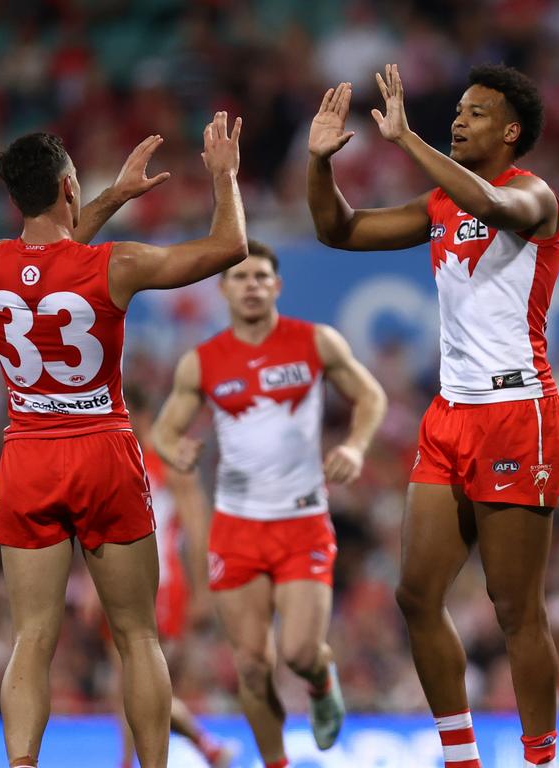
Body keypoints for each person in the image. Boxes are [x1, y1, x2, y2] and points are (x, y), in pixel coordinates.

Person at [307, 64, 559, 768]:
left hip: (519, 414)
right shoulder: (438, 205)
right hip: (451, 415)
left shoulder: (535, 196)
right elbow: (340, 230)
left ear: (511, 132)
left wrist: (405, 139)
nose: (460, 120)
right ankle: (461, 757)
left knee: (516, 610)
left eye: (476, 114)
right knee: (416, 595)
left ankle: (540, 758)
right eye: (456, 110)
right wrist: (318, 162)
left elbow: (494, 209)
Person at [0, 112, 247, 768]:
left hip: (29, 454)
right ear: (68, 187)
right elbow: (228, 247)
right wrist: (225, 179)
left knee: (32, 637)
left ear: (17, 197)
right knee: (136, 635)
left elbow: (48, 258)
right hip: (102, 450)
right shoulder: (114, 266)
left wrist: (112, 196)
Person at [151, 241, 387, 768]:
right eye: (240, 277)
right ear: (224, 289)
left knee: (300, 652)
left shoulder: (315, 342)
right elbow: (164, 429)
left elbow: (371, 396)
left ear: (277, 286)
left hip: (301, 521)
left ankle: (322, 679)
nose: (251, 285)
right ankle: (276, 763)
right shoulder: (203, 362)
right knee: (253, 666)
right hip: (236, 528)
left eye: (261, 276)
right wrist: (176, 449)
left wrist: (354, 445)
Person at [103, 389, 231, 768]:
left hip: (161, 584)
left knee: (134, 678)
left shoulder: (168, 463)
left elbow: (197, 526)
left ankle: (140, 760)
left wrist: (203, 593)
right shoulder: (115, 462)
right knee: (127, 683)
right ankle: (206, 746)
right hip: (119, 581)